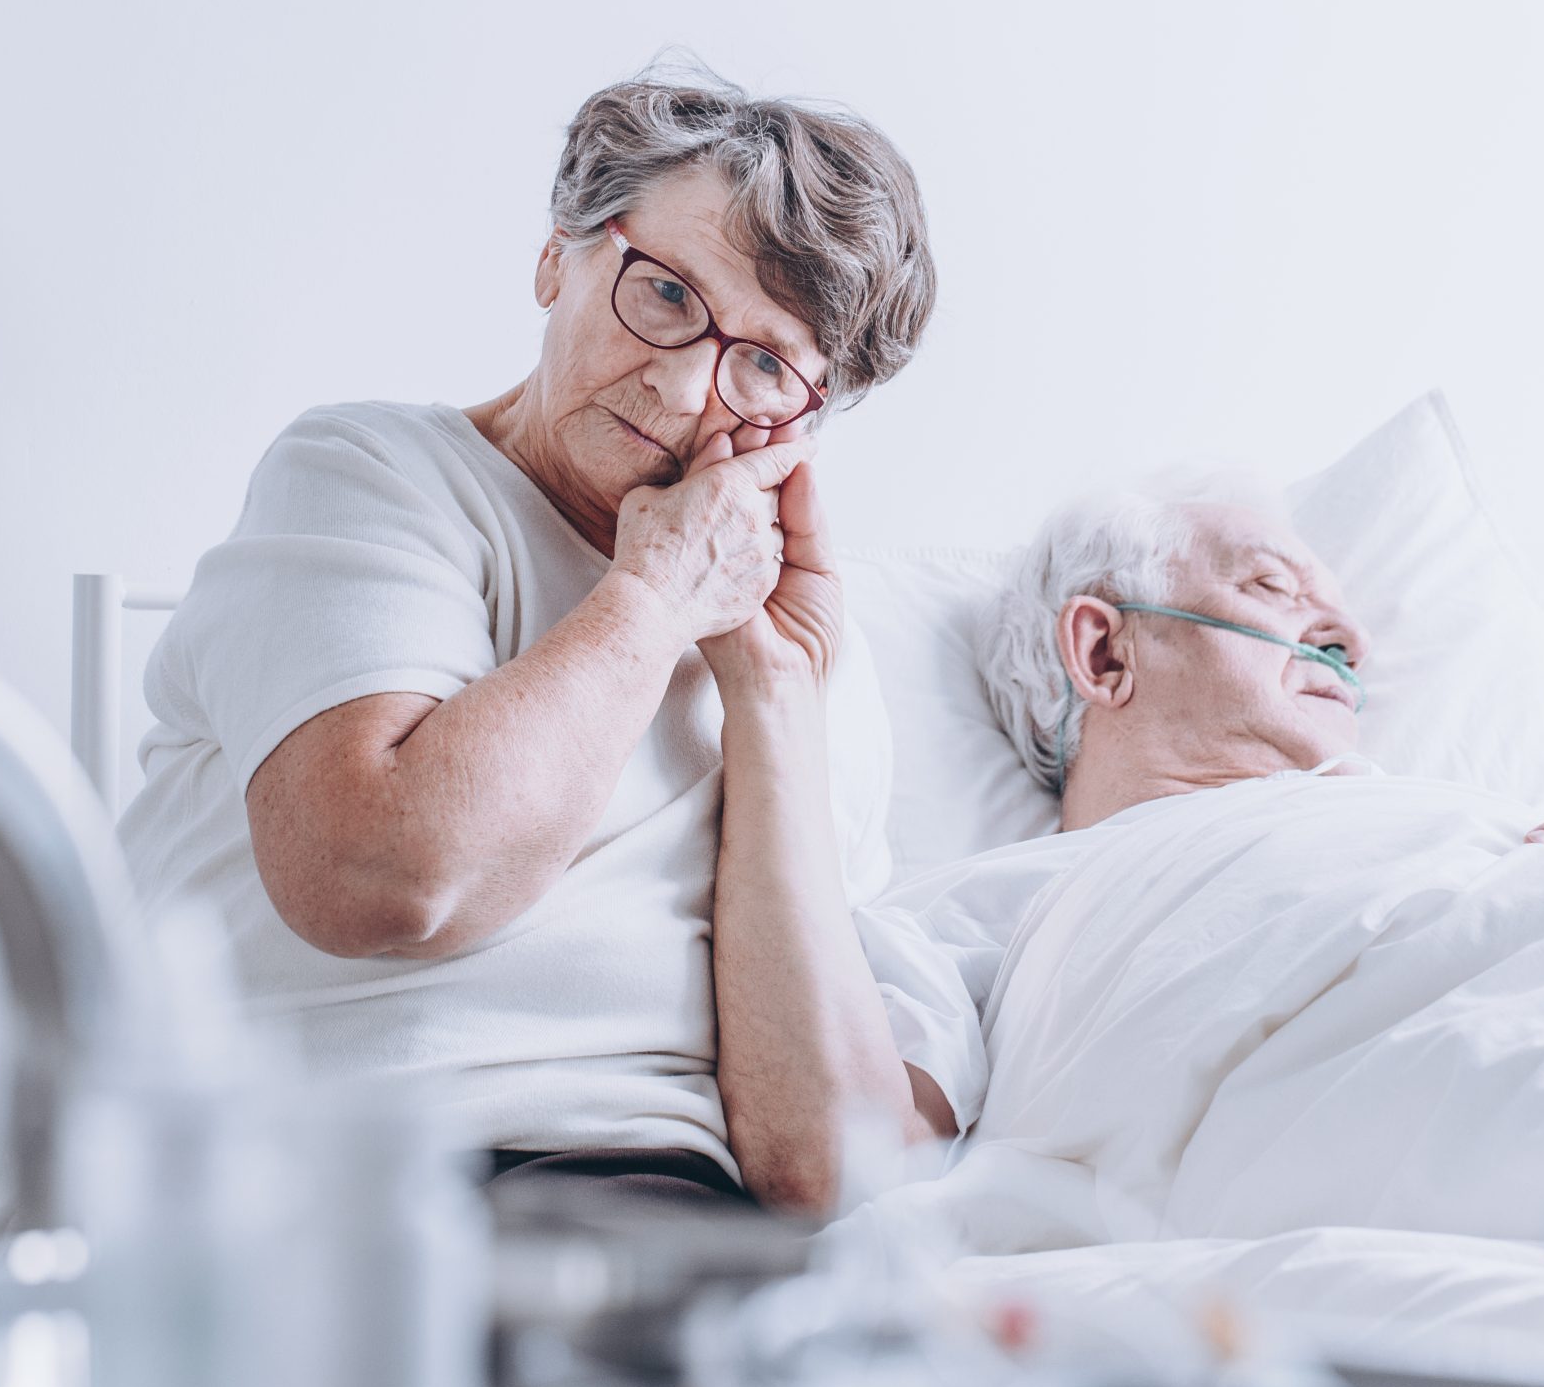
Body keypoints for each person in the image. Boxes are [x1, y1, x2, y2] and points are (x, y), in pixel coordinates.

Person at [116, 62, 937, 1211]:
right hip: (334, 1194)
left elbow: (833, 1172)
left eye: (762, 364)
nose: (686, 385)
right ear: (560, 255)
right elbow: (383, 878)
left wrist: (771, 698)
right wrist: (653, 598)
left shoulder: (810, 671)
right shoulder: (373, 476)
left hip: (667, 1225)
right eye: (664, 294)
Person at [709, 485, 1544, 1179]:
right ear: (1104, 653)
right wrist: (770, 692)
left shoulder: (1476, 816)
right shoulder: (1001, 914)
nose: (1349, 640)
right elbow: (841, 1153)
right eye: (1272, 589)